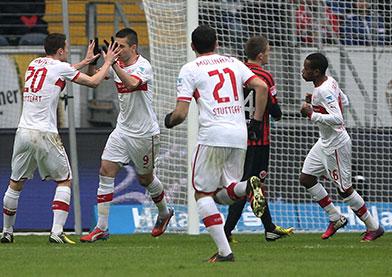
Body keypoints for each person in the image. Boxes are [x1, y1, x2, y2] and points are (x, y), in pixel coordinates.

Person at [0, 33, 121, 244]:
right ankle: (56, 231)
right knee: (65, 180)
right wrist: (108, 61)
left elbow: (59, 73)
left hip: (23, 131)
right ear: (61, 51)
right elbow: (93, 82)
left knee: (15, 183)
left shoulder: (34, 63)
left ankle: (7, 232)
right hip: (45, 132)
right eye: (66, 47)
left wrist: (84, 62)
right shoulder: (60, 67)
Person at [164, 25, 268, 262]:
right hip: (239, 134)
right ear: (217, 43)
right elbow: (261, 86)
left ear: (192, 47)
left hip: (213, 135)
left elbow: (180, 114)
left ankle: (225, 252)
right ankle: (247, 187)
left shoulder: (190, 69)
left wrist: (168, 121)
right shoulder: (233, 62)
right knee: (225, 192)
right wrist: (256, 121)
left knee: (202, 194)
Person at [80, 28, 174, 243]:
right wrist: (94, 61)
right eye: (116, 45)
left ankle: (164, 212)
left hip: (144, 134)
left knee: (145, 179)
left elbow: (132, 83)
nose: (118, 50)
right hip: (122, 130)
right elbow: (96, 77)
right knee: (105, 169)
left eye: (122, 46)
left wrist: (112, 64)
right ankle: (101, 228)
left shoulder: (144, 66)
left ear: (134, 47)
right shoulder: (117, 63)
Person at [299, 52, 384, 242]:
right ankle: (335, 217)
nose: (302, 71)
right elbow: (344, 101)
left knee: (345, 190)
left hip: (336, 144)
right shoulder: (329, 82)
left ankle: (374, 227)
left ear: (316, 71)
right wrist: (317, 103)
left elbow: (338, 119)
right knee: (306, 178)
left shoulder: (324, 90)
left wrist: (313, 114)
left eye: (306, 69)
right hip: (324, 142)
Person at [223, 36, 293, 243]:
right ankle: (226, 231)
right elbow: (275, 109)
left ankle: (269, 228)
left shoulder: (236, 73)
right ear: (261, 55)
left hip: (236, 137)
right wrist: (278, 112)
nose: (269, 55)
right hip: (258, 140)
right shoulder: (264, 76)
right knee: (250, 185)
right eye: (268, 52)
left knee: (252, 186)